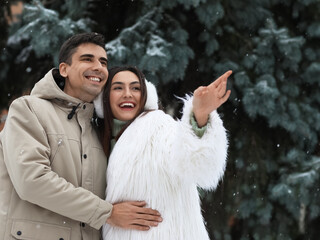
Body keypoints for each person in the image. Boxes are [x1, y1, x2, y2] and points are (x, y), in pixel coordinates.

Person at [0, 33, 162, 240]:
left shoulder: (98, 129)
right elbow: (31, 180)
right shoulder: (29, 109)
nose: (99, 67)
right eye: (87, 59)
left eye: (103, 62)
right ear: (64, 69)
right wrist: (106, 213)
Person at [94, 66, 231, 239]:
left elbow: (194, 162)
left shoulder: (157, 125)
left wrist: (199, 117)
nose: (128, 94)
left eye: (136, 88)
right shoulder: (94, 137)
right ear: (105, 97)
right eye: (118, 88)